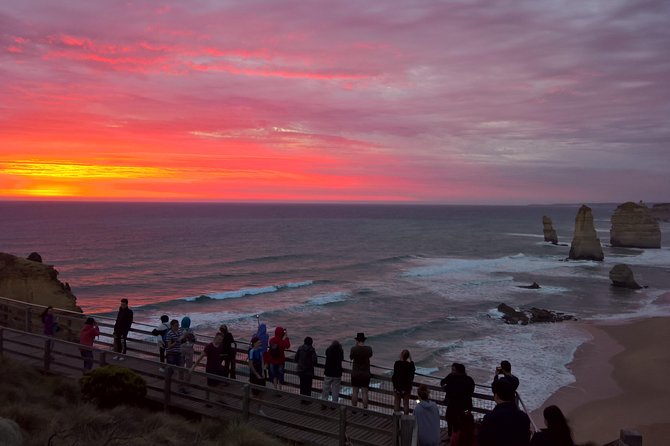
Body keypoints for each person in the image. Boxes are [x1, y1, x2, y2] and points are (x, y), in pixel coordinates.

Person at [478, 379, 531, 446]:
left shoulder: (490, 418)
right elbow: (525, 440)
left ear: (496, 396)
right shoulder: (524, 417)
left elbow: (482, 440)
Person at [440, 362, 475, 437]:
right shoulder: (453, 377)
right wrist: (445, 386)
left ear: (459, 371)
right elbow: (443, 382)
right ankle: (451, 437)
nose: (452, 371)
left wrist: (446, 388)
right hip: (457, 404)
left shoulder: (466, 380)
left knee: (461, 421)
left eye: (453, 370)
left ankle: (458, 438)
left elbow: (452, 390)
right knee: (449, 419)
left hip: (462, 406)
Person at [192, 332, 227, 405]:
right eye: (219, 339)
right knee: (210, 386)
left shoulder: (221, 346)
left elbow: (218, 355)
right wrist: (193, 367)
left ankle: (220, 398)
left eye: (221, 340)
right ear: (215, 338)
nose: (220, 341)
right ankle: (207, 400)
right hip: (210, 368)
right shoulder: (209, 346)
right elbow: (200, 358)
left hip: (218, 367)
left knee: (221, 383)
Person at [349, 332, 373, 410]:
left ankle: (354, 409)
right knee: (364, 392)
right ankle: (365, 410)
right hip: (365, 374)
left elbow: (351, 357)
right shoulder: (368, 349)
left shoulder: (354, 349)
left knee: (355, 391)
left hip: (355, 373)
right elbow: (370, 355)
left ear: (357, 340)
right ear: (363, 340)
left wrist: (356, 346)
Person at [392, 349, 415, 414]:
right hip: (406, 388)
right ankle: (406, 419)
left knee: (397, 403)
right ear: (407, 357)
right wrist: (411, 359)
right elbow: (413, 370)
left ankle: (396, 419)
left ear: (401, 355)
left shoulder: (397, 363)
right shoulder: (409, 365)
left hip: (397, 387)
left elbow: (395, 374)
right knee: (406, 403)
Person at [294, 336, 318, 401]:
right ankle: (307, 400)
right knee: (308, 386)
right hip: (308, 372)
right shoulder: (312, 350)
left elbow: (296, 359)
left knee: (302, 385)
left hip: (300, 371)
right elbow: (315, 361)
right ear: (311, 343)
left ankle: (302, 399)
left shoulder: (300, 348)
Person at [267, 326, 290, 390]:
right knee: (280, 375)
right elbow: (288, 346)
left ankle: (275, 388)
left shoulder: (271, 340)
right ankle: (280, 389)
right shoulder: (282, 342)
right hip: (280, 361)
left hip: (272, 360)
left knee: (274, 375)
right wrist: (286, 337)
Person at [248, 336, 266, 415]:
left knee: (262, 392)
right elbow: (251, 365)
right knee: (255, 394)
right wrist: (256, 374)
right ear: (254, 343)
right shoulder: (252, 351)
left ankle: (259, 409)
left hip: (260, 372)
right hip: (254, 374)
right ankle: (247, 403)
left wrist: (262, 372)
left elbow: (262, 361)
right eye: (258, 342)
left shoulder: (260, 350)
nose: (260, 343)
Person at [321, 340, 344, 404]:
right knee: (335, 390)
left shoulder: (329, 350)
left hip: (328, 372)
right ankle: (334, 404)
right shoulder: (340, 351)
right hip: (337, 374)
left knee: (326, 388)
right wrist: (340, 348)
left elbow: (326, 353)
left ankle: (324, 403)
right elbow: (342, 358)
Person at [179, 316, 197, 393]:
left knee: (181, 367)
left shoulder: (179, 330)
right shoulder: (191, 331)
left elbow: (177, 340)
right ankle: (187, 384)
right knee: (189, 368)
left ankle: (180, 384)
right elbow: (195, 340)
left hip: (180, 350)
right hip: (189, 350)